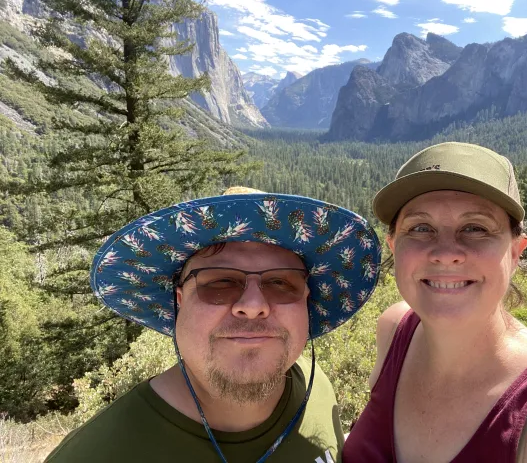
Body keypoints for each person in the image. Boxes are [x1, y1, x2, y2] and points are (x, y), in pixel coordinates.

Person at [342, 142, 527, 463]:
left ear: (515, 252)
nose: (446, 252)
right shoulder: (394, 328)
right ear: (394, 246)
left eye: (475, 228)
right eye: (420, 228)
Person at [46, 187, 381, 463]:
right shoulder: (96, 454)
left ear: (306, 299)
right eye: (219, 283)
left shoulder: (317, 388)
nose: (253, 307)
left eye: (282, 283)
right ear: (180, 300)